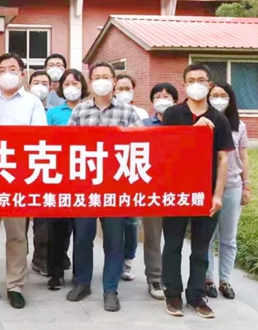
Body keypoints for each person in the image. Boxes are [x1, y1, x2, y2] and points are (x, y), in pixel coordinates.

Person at [65, 61, 142, 313]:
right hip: (86, 186)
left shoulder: (128, 112)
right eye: (96, 77)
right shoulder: (80, 110)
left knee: (114, 241)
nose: (101, 81)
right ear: (90, 81)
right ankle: (82, 283)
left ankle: (110, 289)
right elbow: (67, 145)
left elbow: (141, 147)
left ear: (113, 80)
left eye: (105, 77)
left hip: (115, 188)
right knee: (82, 238)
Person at [162, 63, 234, 319]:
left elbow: (223, 159)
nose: (196, 84)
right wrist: (193, 134)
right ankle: (172, 294)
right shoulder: (172, 114)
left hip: (206, 193)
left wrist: (218, 195)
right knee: (172, 245)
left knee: (201, 248)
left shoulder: (220, 119)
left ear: (209, 85)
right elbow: (166, 150)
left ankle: (196, 296)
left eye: (201, 80)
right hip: (176, 192)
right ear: (184, 85)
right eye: (191, 80)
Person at [0, 52, 47, 310]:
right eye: (2, 69)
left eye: (13, 68)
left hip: (18, 179)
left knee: (17, 235)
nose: (8, 73)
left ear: (22, 73)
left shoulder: (32, 103)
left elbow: (39, 139)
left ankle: (15, 286)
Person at [45, 68, 89, 291]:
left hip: (85, 176)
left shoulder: (90, 110)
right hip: (60, 177)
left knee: (82, 232)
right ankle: (56, 272)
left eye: (76, 83)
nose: (71, 88)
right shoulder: (53, 113)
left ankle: (80, 275)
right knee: (58, 230)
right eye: (67, 84)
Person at [205, 82, 250, 300]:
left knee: (228, 238)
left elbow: (243, 157)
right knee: (207, 237)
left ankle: (225, 280)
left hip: (232, 185)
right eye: (214, 95)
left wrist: (246, 185)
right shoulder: (203, 122)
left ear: (230, 99)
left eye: (223, 95)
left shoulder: (239, 126)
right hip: (208, 186)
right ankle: (208, 280)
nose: (218, 99)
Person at [139, 82, 179, 300]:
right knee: (153, 237)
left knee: (174, 238)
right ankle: (154, 278)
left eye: (166, 96)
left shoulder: (184, 123)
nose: (162, 99)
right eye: (157, 96)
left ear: (175, 100)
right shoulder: (144, 124)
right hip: (152, 189)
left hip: (177, 189)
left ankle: (171, 278)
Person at [113, 73, 149, 283]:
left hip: (131, 173)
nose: (124, 92)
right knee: (113, 224)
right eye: (120, 88)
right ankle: (114, 263)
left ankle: (127, 261)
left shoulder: (140, 113)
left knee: (131, 222)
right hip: (109, 172)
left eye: (128, 88)